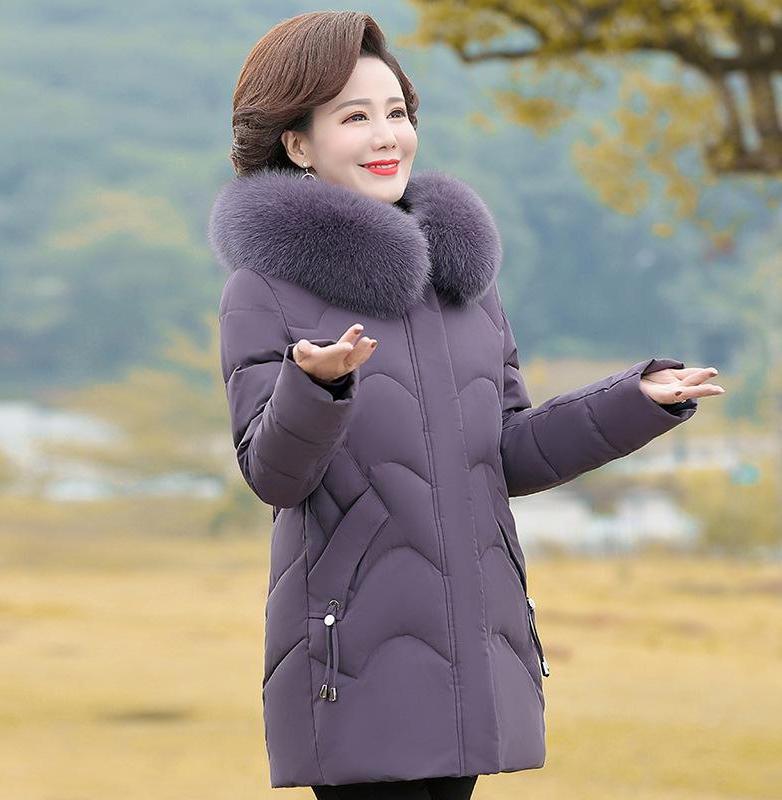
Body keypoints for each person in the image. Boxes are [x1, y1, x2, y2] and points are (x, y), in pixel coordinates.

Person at [207, 10, 725, 798]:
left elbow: (508, 452)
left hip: (475, 652)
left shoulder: (463, 286)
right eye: (354, 118)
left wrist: (634, 402)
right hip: (353, 665)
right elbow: (274, 475)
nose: (387, 136)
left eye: (396, 112)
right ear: (299, 145)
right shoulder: (265, 290)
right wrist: (316, 387)